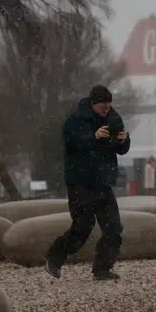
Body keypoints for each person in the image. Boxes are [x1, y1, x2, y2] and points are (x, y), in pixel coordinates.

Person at [45, 86, 131, 281]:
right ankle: (54, 258)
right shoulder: (75, 121)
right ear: (93, 104)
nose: (106, 109)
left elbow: (122, 150)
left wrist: (124, 140)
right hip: (79, 183)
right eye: (102, 105)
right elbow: (71, 145)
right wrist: (93, 137)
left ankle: (102, 269)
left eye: (109, 105)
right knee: (83, 225)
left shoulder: (113, 119)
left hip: (103, 182)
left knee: (114, 228)